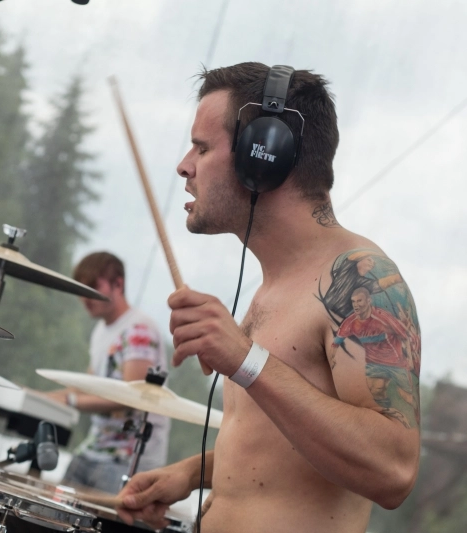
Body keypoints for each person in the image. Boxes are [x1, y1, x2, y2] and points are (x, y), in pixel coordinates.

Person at [115, 63, 421, 533]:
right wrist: (192, 473)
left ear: (263, 156)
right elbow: (286, 450)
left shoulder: (361, 278)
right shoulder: (274, 284)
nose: (184, 166)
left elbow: (393, 471)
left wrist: (245, 359)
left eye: (202, 147)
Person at [44, 251, 171, 494]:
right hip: (96, 447)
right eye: (82, 288)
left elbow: (130, 397)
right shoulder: (101, 331)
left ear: (118, 284)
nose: (85, 297)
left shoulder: (139, 329)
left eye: (93, 286)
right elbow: (88, 385)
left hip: (128, 457)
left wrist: (69, 401)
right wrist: (42, 397)